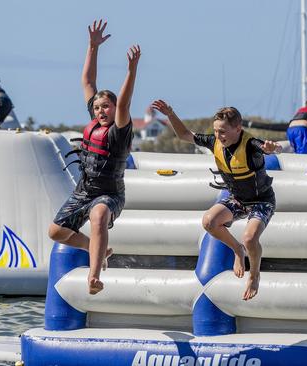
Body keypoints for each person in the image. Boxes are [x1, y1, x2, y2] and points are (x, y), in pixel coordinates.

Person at [152, 101, 281, 301]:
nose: (218, 137)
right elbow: (185, 135)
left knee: (249, 238)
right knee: (209, 222)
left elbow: (271, 148)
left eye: (223, 132)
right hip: (238, 199)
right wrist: (171, 114)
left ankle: (254, 275)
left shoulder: (251, 146)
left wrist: (274, 148)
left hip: (261, 201)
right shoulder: (214, 143)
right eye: (216, 131)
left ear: (238, 129)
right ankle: (237, 249)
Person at [47, 19, 139, 295]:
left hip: (110, 193)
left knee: (99, 215)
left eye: (106, 107)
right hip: (84, 190)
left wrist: (131, 70)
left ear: (114, 109)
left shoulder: (119, 130)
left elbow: (124, 102)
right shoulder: (95, 123)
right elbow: (88, 81)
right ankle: (95, 248)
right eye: (97, 107)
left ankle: (94, 275)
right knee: (56, 232)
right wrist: (92, 47)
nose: (101, 111)